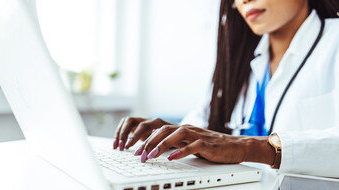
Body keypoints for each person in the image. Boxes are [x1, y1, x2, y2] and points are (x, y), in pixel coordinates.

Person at [113, 0, 339, 178]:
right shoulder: (236, 64)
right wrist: (170, 136)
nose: (244, 0)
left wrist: (247, 147)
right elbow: (202, 128)